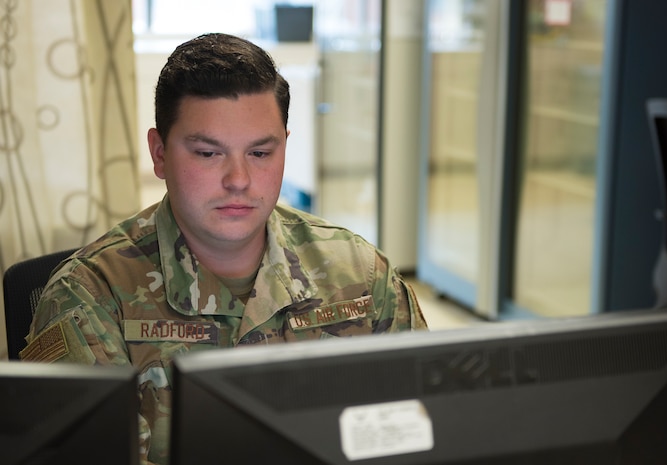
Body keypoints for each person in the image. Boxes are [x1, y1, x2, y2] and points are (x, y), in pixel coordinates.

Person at [21, 33, 428, 465]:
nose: (238, 179)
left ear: (285, 147)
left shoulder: (361, 275)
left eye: (259, 152)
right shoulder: (89, 296)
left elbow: (428, 432)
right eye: (208, 153)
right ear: (159, 154)